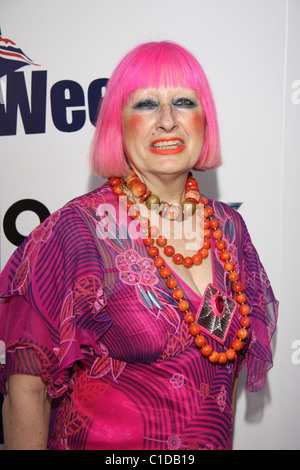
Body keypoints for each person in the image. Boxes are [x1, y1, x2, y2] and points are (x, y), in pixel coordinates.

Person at [0, 41, 278, 450]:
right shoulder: (76, 231)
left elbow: (221, 381)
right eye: (146, 104)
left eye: (183, 101)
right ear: (117, 123)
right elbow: (26, 392)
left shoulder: (231, 229)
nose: (167, 121)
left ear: (205, 120)